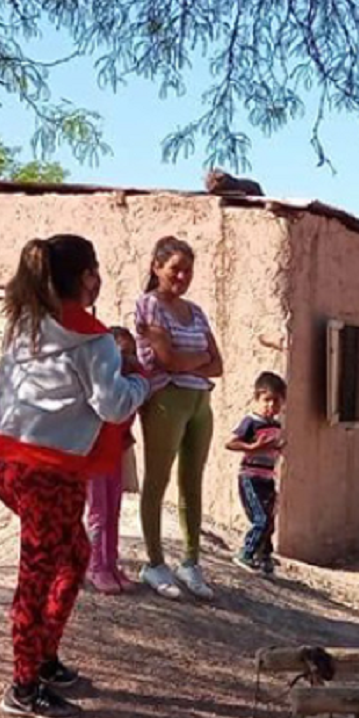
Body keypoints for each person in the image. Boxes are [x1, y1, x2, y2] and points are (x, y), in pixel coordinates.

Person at [0, 235, 151, 718]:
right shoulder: (94, 341)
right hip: (50, 473)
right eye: (95, 269)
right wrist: (141, 380)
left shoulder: (24, 324)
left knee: (73, 555)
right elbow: (113, 403)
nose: (99, 277)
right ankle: (23, 685)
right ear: (86, 278)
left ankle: (43, 658)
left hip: (8, 464)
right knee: (36, 577)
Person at [134, 236, 224, 600]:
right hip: (165, 401)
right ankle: (155, 562)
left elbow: (218, 364)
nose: (182, 277)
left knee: (193, 480)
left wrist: (194, 363)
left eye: (187, 270)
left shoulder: (196, 311)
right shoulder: (149, 305)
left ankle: (191, 561)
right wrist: (197, 361)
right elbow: (166, 360)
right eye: (175, 269)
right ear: (157, 267)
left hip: (200, 401)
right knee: (157, 479)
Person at [85, 326, 142, 595]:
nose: (128, 360)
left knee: (113, 509)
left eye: (132, 353)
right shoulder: (98, 385)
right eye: (121, 353)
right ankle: (95, 565)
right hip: (94, 456)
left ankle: (110, 563)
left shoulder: (130, 384)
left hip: (114, 454)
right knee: (98, 512)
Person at [226, 372, 287, 575]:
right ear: (257, 399)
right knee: (260, 518)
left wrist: (278, 448)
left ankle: (264, 556)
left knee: (269, 520)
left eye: (276, 402)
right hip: (250, 477)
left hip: (268, 477)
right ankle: (246, 553)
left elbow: (272, 449)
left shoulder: (276, 426)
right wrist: (253, 446)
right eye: (267, 400)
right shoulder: (250, 422)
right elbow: (231, 443)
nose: (271, 406)